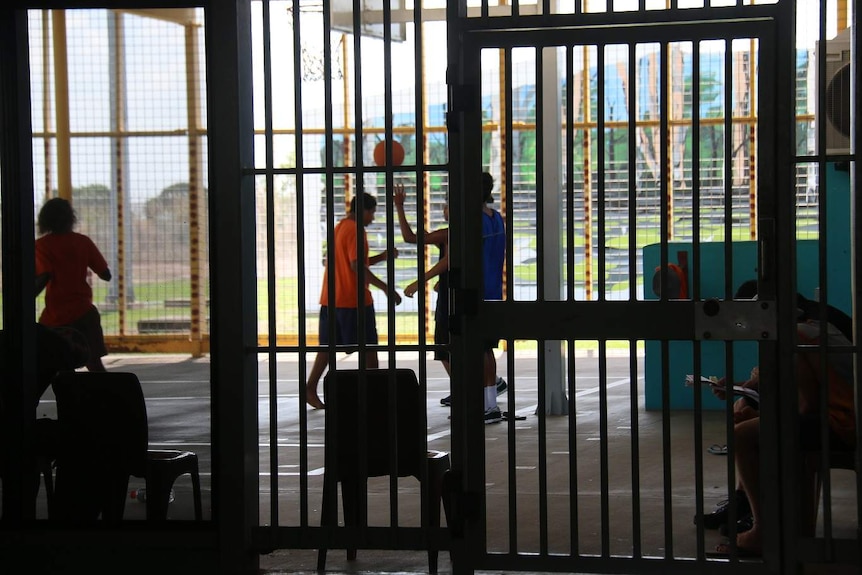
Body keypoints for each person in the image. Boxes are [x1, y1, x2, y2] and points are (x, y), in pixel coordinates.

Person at [708, 318, 854, 557]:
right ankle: (748, 507)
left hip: (841, 423)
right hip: (845, 416)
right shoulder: (814, 328)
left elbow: (808, 406)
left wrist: (760, 415)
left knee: (743, 435)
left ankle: (762, 531)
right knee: (748, 414)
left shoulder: (794, 337)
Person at [305, 192, 401, 409]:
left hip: (331, 298)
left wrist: (383, 256)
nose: (373, 218)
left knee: (327, 347)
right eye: (372, 212)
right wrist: (386, 288)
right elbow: (357, 267)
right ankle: (375, 394)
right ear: (364, 211)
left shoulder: (340, 227)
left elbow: (356, 262)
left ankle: (310, 387)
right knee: (369, 349)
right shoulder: (357, 231)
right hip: (353, 300)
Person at [35, 197, 112, 372]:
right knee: (95, 364)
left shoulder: (42, 245)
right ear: (71, 218)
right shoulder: (83, 242)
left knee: (60, 366)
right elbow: (106, 275)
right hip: (84, 312)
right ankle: (106, 396)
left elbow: (44, 275)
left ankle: (69, 398)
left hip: (56, 318)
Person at [393, 184, 452, 383]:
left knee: (444, 347)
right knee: (449, 347)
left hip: (450, 299)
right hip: (451, 293)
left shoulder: (448, 234)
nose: (444, 210)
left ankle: (465, 389)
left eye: (446, 206)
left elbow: (409, 238)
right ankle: (470, 388)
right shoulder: (462, 231)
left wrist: (399, 207)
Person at [480, 172, 507, 424]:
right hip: (495, 290)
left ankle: (488, 405)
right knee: (486, 349)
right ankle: (490, 403)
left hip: (478, 290)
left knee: (479, 350)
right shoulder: (498, 219)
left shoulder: (474, 220)